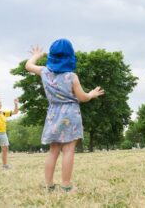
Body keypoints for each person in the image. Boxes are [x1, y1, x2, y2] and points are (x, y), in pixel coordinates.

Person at [25, 39, 104, 193]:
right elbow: (82, 98)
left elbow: (28, 66)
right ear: (70, 56)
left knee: (53, 150)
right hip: (70, 113)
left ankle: (48, 185)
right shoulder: (71, 76)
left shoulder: (44, 72)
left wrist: (36, 55)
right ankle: (66, 185)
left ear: (52, 55)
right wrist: (92, 94)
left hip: (53, 113)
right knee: (68, 150)